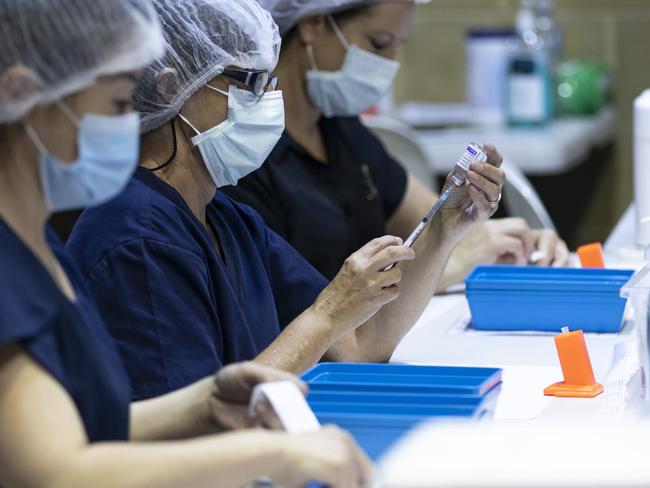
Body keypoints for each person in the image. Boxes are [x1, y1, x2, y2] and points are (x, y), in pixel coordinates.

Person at [0, 1, 372, 487]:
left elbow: (81, 426)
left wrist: (204, 403)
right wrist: (271, 455)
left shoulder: (37, 247)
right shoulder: (20, 269)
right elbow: (54, 472)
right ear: (21, 95)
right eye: (116, 105)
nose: (133, 121)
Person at [66, 0, 506, 401]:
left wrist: (444, 230)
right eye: (250, 84)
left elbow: (357, 347)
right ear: (169, 88)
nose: (269, 102)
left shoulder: (229, 221)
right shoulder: (136, 238)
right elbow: (194, 428)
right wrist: (328, 313)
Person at [224, 0, 570, 285]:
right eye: (377, 43)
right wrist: (453, 261)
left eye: (396, 46)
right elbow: (300, 308)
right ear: (313, 24)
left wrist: (513, 241)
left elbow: (440, 222)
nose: (389, 65)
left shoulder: (342, 132)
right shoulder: (250, 153)